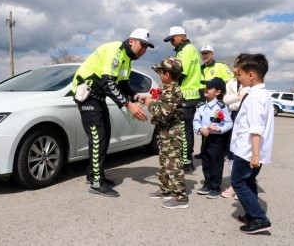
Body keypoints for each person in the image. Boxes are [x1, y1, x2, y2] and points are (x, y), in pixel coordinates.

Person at [71, 28, 154, 197]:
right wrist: (127, 104)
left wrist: (136, 97)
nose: (144, 50)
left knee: (105, 135)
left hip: (98, 97)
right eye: (142, 45)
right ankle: (96, 183)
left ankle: (94, 174)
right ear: (132, 41)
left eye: (147, 47)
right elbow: (107, 82)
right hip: (87, 95)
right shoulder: (116, 50)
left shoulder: (127, 59)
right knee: (97, 137)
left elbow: (122, 85)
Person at [230, 53, 273, 234]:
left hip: (247, 151)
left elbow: (256, 128)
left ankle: (259, 218)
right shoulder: (260, 93)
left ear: (251, 74)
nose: (237, 78)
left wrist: (255, 155)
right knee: (249, 181)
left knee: (238, 181)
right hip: (251, 150)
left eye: (239, 74)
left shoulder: (255, 97)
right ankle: (251, 213)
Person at [144, 57, 188, 209]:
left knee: (173, 165)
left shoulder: (172, 92)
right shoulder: (168, 90)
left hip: (172, 134)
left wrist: (150, 104)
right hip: (165, 132)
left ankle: (181, 198)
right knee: (164, 162)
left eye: (160, 72)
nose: (159, 75)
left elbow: (164, 114)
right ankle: (165, 189)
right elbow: (164, 113)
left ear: (167, 75)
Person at [164, 26, 202, 171]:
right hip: (189, 94)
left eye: (172, 39)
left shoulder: (186, 50)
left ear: (181, 36)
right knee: (185, 129)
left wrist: (169, 85)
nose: (171, 42)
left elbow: (181, 72)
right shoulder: (188, 49)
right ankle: (186, 159)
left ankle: (186, 161)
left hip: (187, 94)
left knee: (184, 130)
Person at [193, 77, 233, 199]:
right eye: (206, 87)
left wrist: (218, 129)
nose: (206, 89)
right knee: (206, 161)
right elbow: (196, 120)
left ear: (217, 92)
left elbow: (229, 123)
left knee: (216, 163)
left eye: (209, 88)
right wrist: (200, 129)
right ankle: (207, 184)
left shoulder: (221, 107)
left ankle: (215, 187)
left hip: (217, 140)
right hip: (205, 138)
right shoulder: (201, 106)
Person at [194, 45, 234, 160]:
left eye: (207, 53)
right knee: (204, 125)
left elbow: (230, 81)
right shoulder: (200, 68)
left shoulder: (220, 66)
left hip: (217, 101)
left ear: (213, 54)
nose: (204, 55)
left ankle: (221, 150)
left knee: (218, 125)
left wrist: (223, 97)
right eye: (203, 53)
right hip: (204, 100)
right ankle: (204, 151)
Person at [221, 54, 250, 199]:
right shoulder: (231, 82)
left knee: (244, 151)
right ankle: (234, 185)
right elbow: (225, 100)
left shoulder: (251, 83)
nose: (235, 69)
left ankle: (243, 186)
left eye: (237, 66)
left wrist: (235, 102)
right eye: (234, 66)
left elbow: (245, 102)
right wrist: (237, 99)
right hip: (232, 117)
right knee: (231, 151)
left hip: (246, 118)